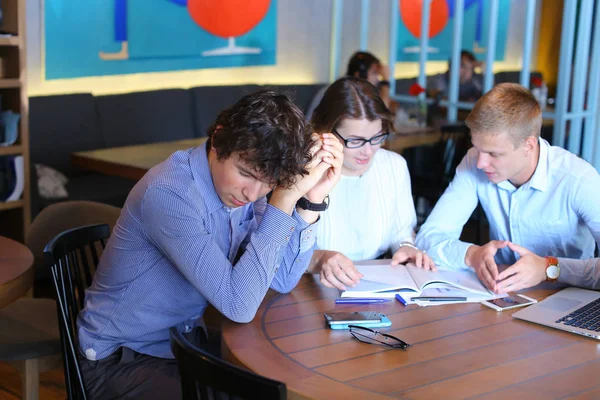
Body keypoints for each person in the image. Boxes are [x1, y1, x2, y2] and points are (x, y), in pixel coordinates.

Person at [77, 90, 345, 399]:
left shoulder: (250, 186)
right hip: (121, 359)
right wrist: (282, 200)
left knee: (283, 384)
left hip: (185, 343)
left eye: (269, 182)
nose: (252, 192)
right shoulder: (170, 193)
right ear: (218, 141)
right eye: (245, 173)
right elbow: (239, 306)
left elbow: (283, 280)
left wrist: (310, 202)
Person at [416, 83, 600, 294]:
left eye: (494, 154)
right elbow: (428, 238)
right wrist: (471, 254)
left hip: (567, 298)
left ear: (528, 145)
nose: (480, 163)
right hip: (501, 296)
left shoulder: (579, 180)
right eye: (477, 149)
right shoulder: (474, 162)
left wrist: (548, 269)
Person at [306, 77, 435, 290]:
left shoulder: (393, 165)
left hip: (380, 284)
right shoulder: (304, 172)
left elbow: (401, 233)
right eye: (355, 141)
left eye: (377, 138)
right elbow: (281, 251)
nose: (368, 151)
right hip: (315, 288)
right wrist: (318, 259)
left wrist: (406, 248)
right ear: (325, 132)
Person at [306, 51, 394, 120]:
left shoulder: (352, 88)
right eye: (374, 73)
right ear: (360, 75)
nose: (378, 78)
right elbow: (381, 116)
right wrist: (385, 81)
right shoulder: (344, 91)